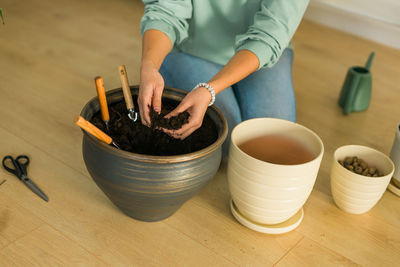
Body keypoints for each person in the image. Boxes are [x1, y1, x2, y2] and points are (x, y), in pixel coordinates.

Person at [138, 0, 309, 155]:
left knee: (273, 143)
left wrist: (209, 89)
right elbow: (165, 11)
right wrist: (150, 65)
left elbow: (271, 33)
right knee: (224, 138)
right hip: (192, 47)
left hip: (261, 51)